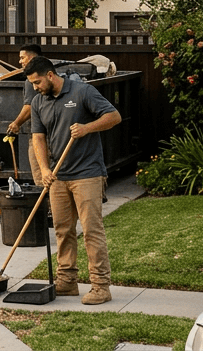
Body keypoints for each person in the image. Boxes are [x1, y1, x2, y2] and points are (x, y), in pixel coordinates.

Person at [25, 55, 122, 305]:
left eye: (37, 82)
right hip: (58, 176)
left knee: (91, 231)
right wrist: (45, 170)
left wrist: (87, 128)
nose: (34, 88)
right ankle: (67, 282)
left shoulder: (82, 91)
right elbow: (38, 138)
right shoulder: (38, 102)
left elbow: (114, 117)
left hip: (87, 173)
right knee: (62, 230)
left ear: (49, 75)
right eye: (32, 84)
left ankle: (101, 286)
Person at [6, 44, 45, 185]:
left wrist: (16, 123)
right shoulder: (50, 75)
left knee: (41, 176)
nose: (20, 61)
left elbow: (29, 106)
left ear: (33, 57)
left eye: (22, 57)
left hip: (38, 135)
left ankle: (47, 206)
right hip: (52, 134)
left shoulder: (31, 81)